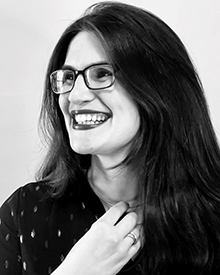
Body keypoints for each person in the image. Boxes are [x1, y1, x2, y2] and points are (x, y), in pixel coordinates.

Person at [1, 1, 220, 274]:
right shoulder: (24, 212)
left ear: (159, 90)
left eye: (102, 73)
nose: (75, 96)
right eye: (68, 77)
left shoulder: (213, 215)